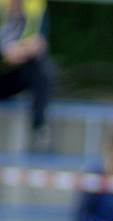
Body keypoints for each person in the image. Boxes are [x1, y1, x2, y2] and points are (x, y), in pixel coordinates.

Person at [0, 0, 52, 151]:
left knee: (43, 68)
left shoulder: (36, 6)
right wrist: (5, 51)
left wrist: (18, 52)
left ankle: (39, 128)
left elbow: (40, 42)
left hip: (17, 72)